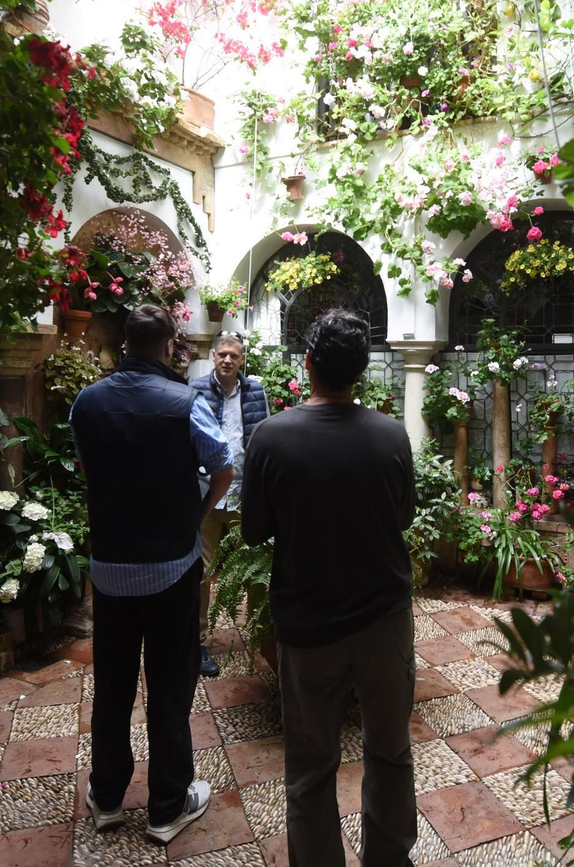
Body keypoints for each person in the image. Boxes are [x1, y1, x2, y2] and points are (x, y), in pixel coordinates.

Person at [242, 310, 417, 867]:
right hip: (383, 620)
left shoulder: (271, 437)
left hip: (307, 622)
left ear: (309, 364)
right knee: (389, 752)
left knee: (310, 767)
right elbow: (405, 516)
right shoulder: (391, 435)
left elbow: (253, 530)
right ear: (360, 370)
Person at [69, 305, 234, 845]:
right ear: (169, 347)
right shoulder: (186, 403)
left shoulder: (85, 403)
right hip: (171, 568)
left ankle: (108, 796)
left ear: (122, 344)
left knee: (112, 684)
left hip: (110, 567)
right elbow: (224, 468)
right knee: (169, 685)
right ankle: (167, 806)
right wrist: (196, 514)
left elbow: (89, 470)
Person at [194, 332, 269, 677]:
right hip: (208, 494)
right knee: (201, 571)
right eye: (222, 354)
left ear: (241, 360)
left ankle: (261, 633)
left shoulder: (255, 392)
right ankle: (196, 641)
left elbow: (263, 439)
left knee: (253, 567)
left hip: (244, 495)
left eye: (234, 356)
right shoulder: (195, 390)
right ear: (213, 356)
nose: (227, 360)